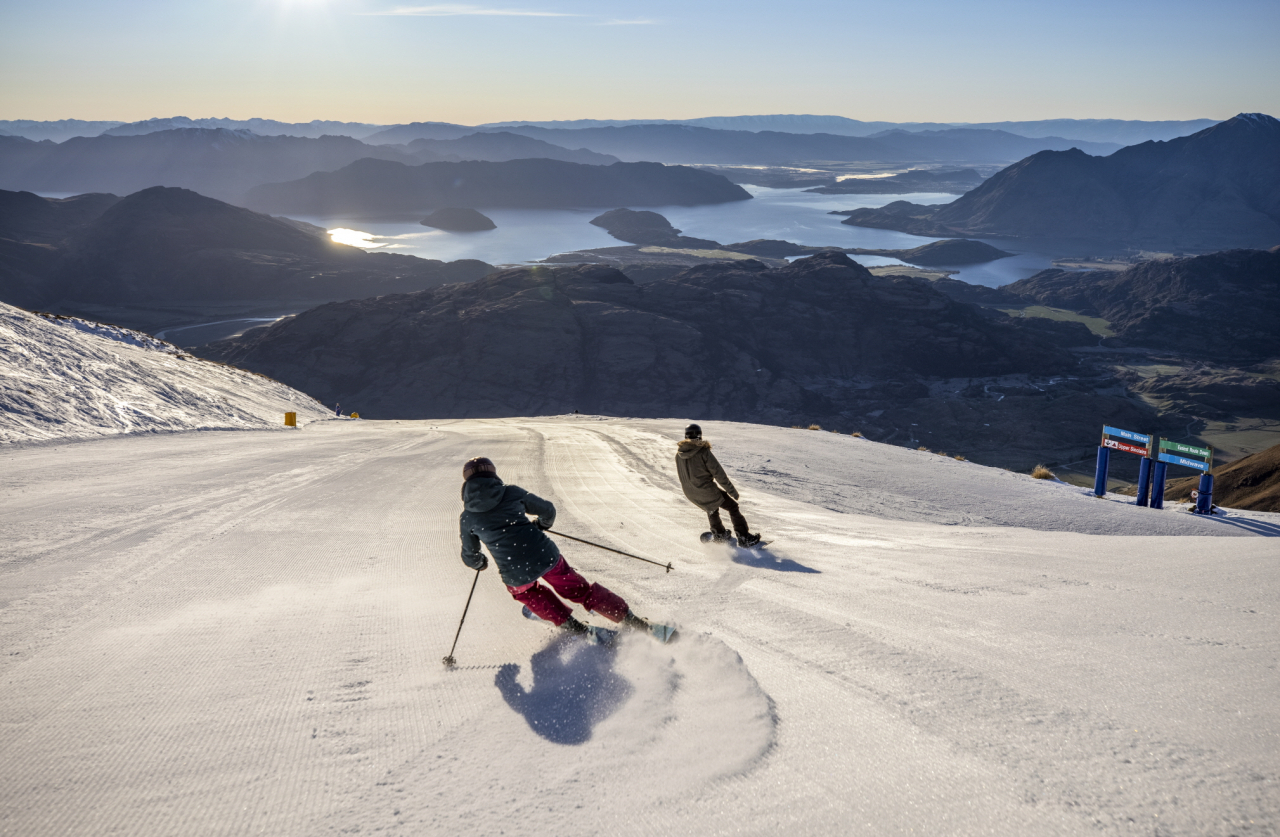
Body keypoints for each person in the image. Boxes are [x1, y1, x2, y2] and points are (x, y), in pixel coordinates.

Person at [459, 457, 653, 638]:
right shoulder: (511, 492)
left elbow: (470, 556)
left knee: (527, 593)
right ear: (493, 474)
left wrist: (480, 563)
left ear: (467, 483)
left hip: (515, 571)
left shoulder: (468, 517)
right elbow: (547, 509)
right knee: (579, 590)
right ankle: (628, 618)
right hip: (545, 555)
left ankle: (571, 625)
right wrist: (541, 525)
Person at [675, 424, 761, 546]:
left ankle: (720, 535)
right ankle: (744, 537)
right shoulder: (703, 452)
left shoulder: (679, 454)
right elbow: (718, 473)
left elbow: (682, 476)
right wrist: (732, 491)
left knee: (711, 508)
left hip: (690, 492)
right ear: (700, 435)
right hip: (705, 489)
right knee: (732, 507)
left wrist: (692, 490)